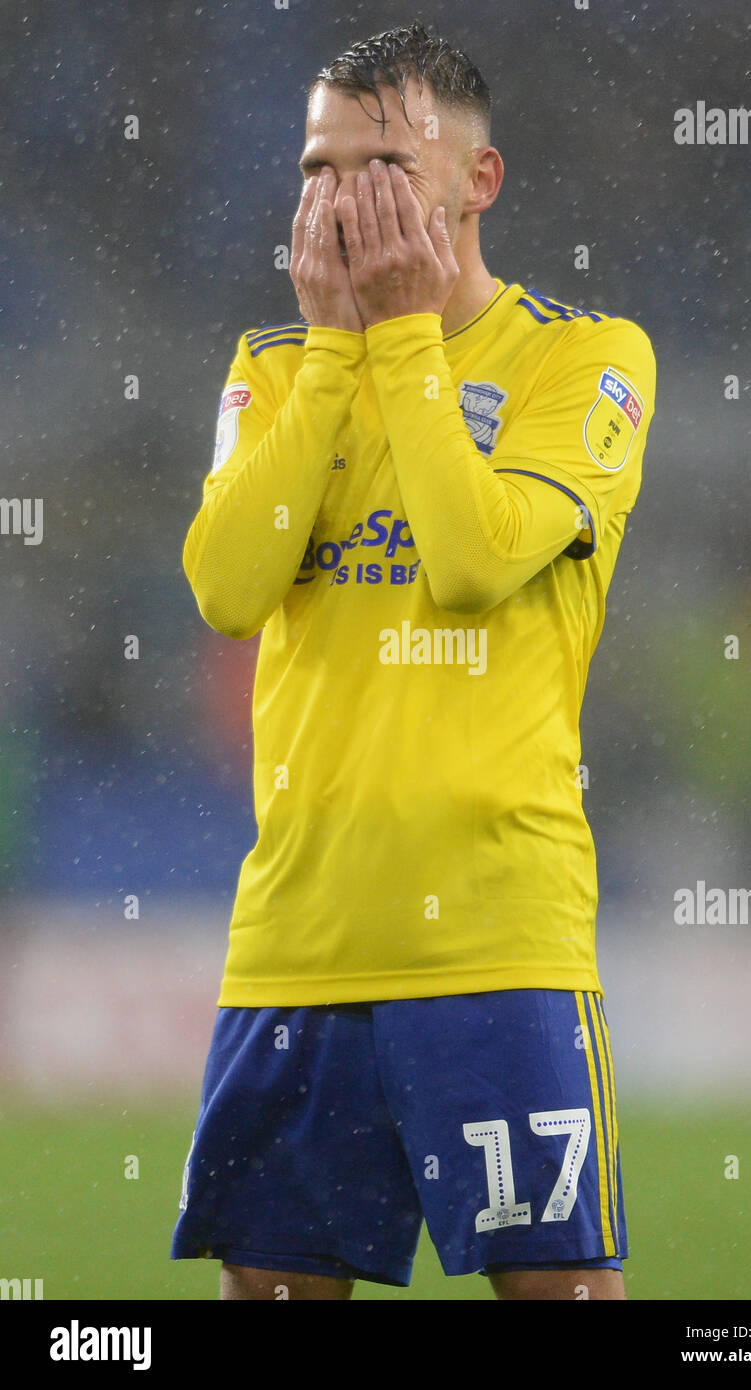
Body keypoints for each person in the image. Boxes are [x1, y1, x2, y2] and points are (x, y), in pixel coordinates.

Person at [171, 22, 656, 1301]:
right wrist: (336, 349)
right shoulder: (274, 368)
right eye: (318, 166)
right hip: (298, 938)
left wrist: (394, 337)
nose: (341, 196)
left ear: (475, 182)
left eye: (382, 160)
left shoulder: (586, 357)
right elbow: (226, 589)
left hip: (496, 942)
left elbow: (474, 557)